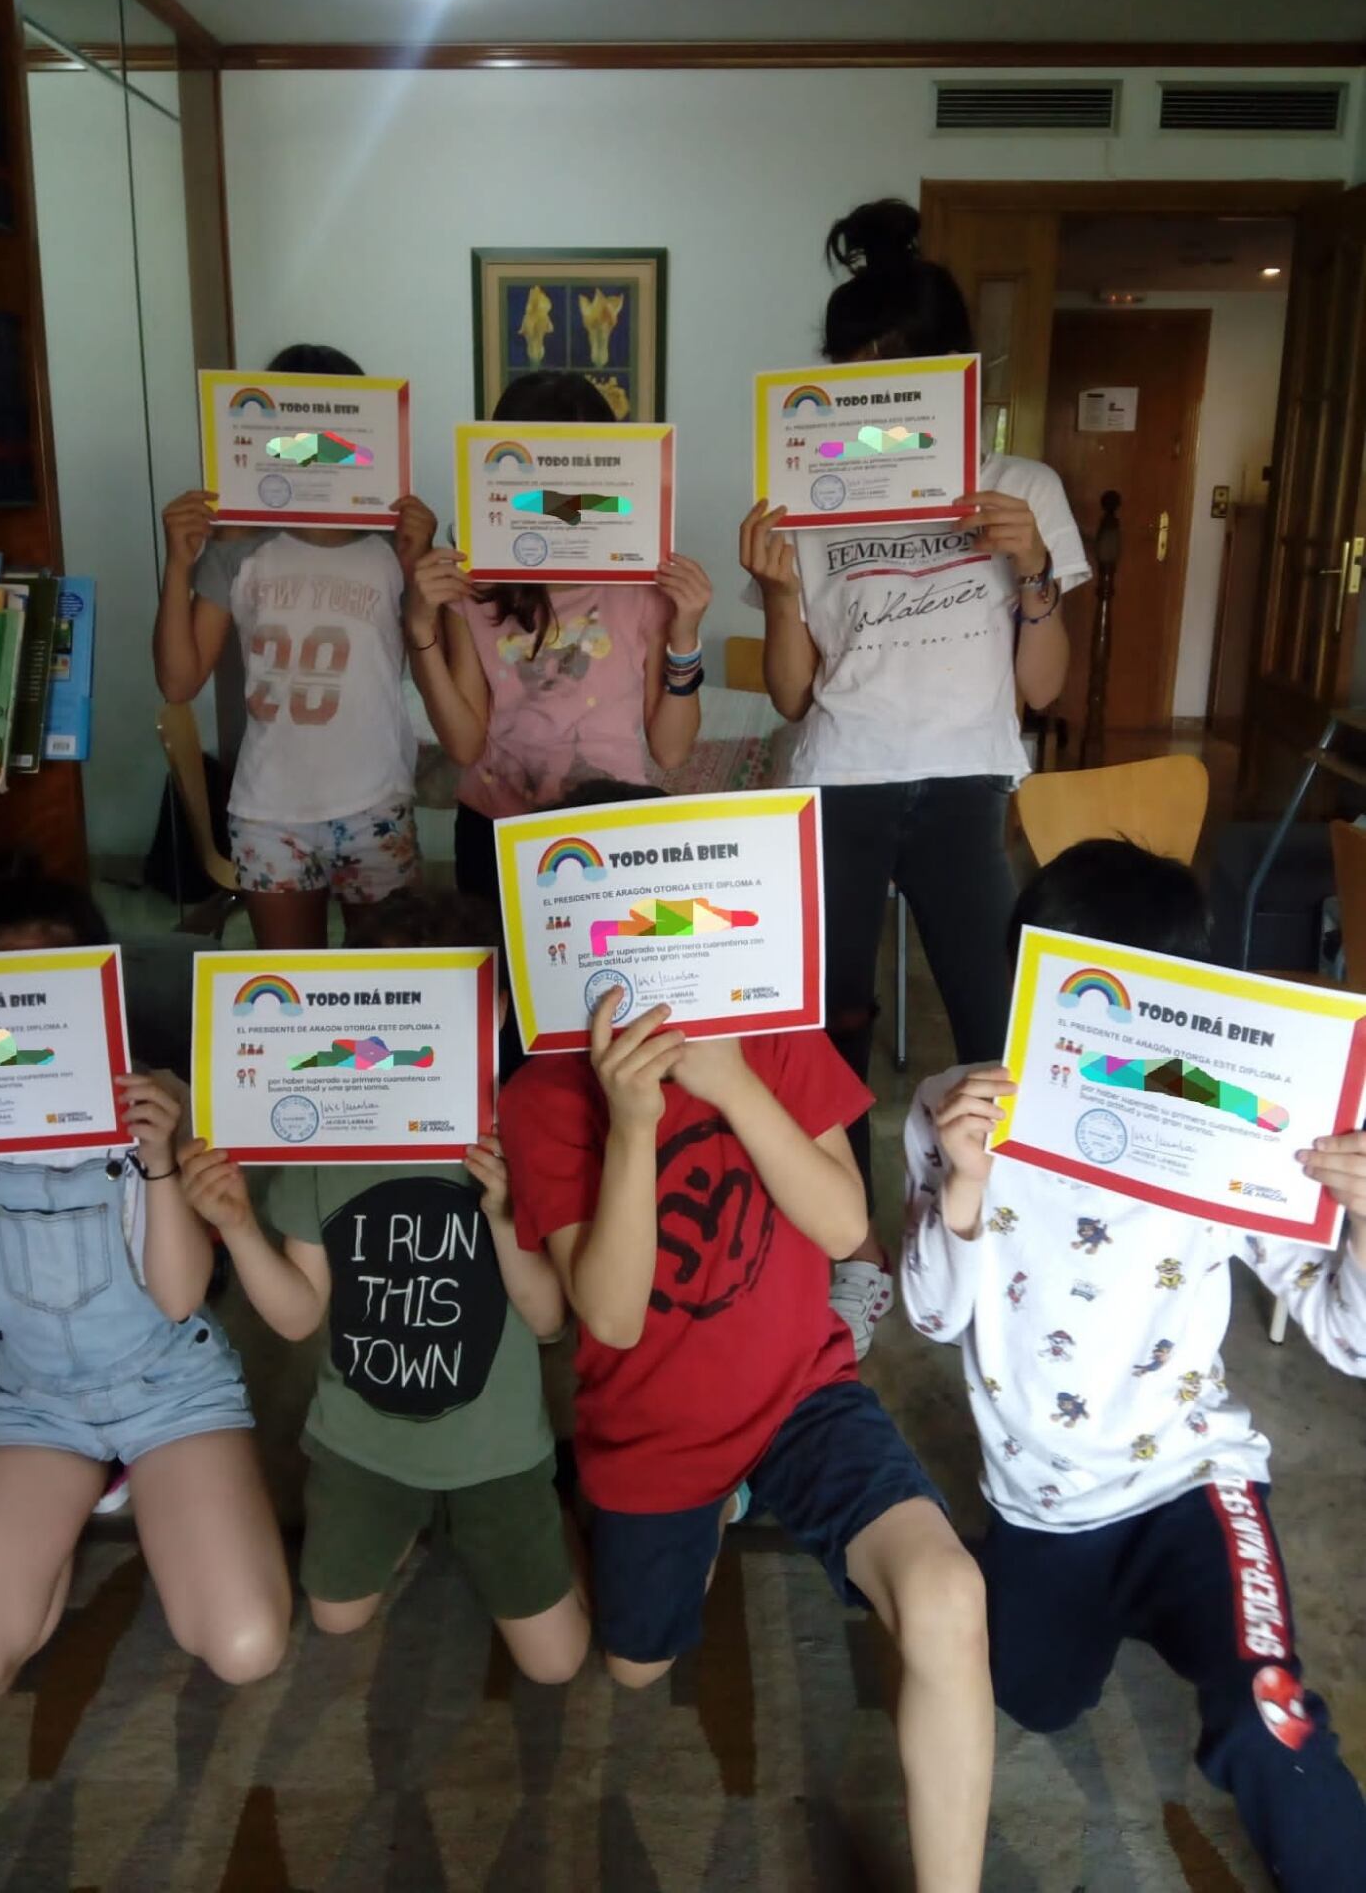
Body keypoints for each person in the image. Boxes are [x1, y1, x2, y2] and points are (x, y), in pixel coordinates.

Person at [498, 812, 994, 1892]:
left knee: (949, 1592)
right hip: (653, 1427)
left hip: (800, 1393)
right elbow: (609, 1317)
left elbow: (844, 1226)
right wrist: (633, 1124)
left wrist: (731, 1083)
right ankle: (680, 1502)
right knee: (636, 1667)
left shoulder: (769, 1035)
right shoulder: (541, 1095)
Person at [900, 838, 1366, 1890]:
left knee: (1270, 1716)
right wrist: (963, 1187)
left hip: (1191, 1479)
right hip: (1040, 1499)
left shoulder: (1226, 1126)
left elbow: (1349, 1337)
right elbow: (928, 1314)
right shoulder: (950, 1107)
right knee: (1033, 1697)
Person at [740, 197, 1089, 1355]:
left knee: (996, 1023)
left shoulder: (1021, 486)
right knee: (828, 1030)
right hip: (839, 779)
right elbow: (794, 698)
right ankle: (847, 1248)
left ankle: (992, 1228)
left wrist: (1031, 570)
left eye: (904, 375)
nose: (878, 401)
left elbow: (1043, 686)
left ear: (960, 378)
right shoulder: (812, 498)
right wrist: (781, 592)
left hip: (965, 783)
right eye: (856, 376)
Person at [0, 874, 290, 1702]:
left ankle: (136, 1486)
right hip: (36, 1402)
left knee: (245, 1647)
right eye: (1, 989)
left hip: (172, 1388)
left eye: (50, 983)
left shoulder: (157, 1098)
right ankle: (55, 1516)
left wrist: (160, 1159)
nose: (23, 1011)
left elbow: (179, 1297)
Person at [176, 888, 589, 1684]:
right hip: (363, 1448)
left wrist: (504, 1215)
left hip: (498, 1453)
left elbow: (547, 1321)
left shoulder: (519, 1134)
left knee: (556, 1665)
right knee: (336, 1616)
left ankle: (544, 1514)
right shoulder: (327, 1139)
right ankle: (413, 1517)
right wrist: (237, 1225)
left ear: (498, 1010)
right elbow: (298, 1316)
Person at [153, 343, 436, 950]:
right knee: (293, 984)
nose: (314, 449)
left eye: (334, 436)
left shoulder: (393, 547)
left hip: (374, 800)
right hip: (269, 809)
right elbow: (178, 682)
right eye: (295, 436)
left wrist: (421, 568)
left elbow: (429, 660)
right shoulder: (237, 547)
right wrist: (178, 565)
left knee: (386, 976)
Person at [401, 370, 713, 905]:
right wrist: (419, 627)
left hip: (609, 826)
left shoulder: (643, 588)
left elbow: (671, 748)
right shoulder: (471, 588)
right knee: (499, 962)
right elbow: (464, 744)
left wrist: (686, 635)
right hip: (496, 830)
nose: (564, 498)